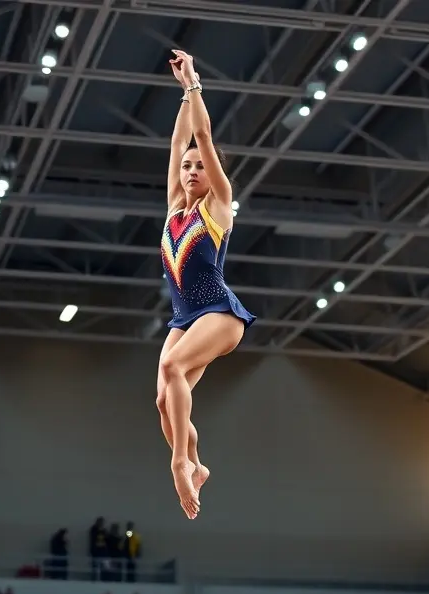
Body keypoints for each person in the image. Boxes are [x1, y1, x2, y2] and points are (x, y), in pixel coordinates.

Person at [157, 49, 255, 520]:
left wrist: (194, 81)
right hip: (184, 317)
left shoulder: (218, 206)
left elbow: (200, 136)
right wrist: (182, 95)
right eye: (187, 167)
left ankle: (179, 464)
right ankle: (195, 461)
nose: (192, 170)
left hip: (219, 314)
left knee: (174, 368)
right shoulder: (175, 208)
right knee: (164, 401)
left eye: (200, 167)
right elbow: (180, 143)